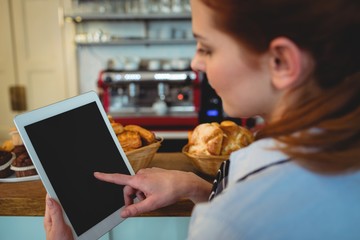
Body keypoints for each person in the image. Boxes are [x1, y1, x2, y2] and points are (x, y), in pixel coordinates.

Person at [45, 0, 360, 239]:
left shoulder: (231, 222)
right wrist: (195, 186)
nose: (196, 62)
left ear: (281, 62)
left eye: (207, 48)